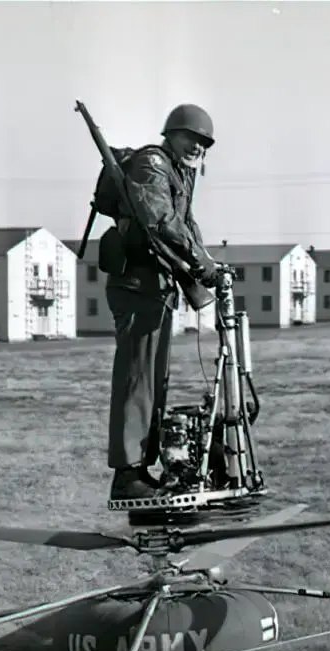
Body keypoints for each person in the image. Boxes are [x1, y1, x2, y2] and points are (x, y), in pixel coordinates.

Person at [105, 103, 225, 500]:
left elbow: (187, 225)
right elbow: (160, 220)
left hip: (157, 286)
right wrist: (199, 263)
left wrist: (207, 264)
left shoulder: (180, 174)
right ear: (171, 133)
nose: (198, 147)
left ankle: (143, 467)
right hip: (137, 283)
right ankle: (127, 473)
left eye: (204, 143)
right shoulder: (152, 165)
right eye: (192, 137)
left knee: (155, 381)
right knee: (137, 378)